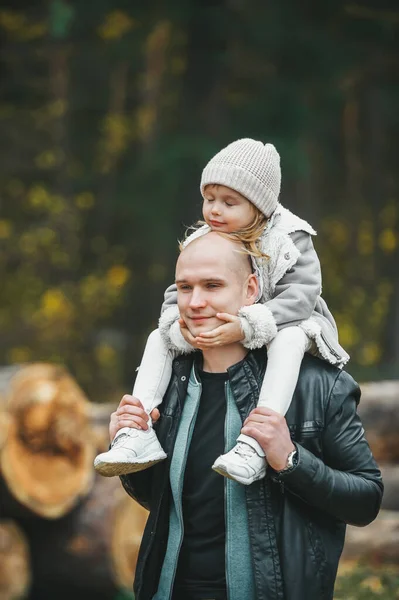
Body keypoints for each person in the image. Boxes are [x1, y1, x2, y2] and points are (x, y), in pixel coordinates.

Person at [114, 232, 383, 600]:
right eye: (184, 287)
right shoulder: (168, 385)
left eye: (212, 285)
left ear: (251, 289)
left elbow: (367, 500)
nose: (195, 302)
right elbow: (164, 503)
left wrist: (290, 460)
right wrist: (133, 445)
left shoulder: (317, 386)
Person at [94, 138, 350, 485]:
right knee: (158, 336)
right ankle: (137, 432)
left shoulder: (289, 237)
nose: (215, 211)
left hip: (288, 319)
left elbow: (302, 294)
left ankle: (258, 440)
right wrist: (177, 326)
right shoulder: (205, 239)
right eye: (209, 199)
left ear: (259, 207)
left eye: (229, 202)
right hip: (226, 326)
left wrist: (248, 325)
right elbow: (177, 291)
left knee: (289, 340)